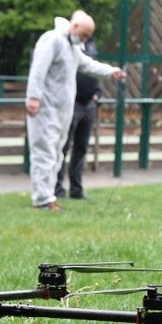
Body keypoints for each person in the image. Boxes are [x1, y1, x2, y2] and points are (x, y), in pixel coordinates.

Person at [25, 11, 123, 210]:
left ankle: (48, 196)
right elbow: (38, 70)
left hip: (62, 110)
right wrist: (34, 98)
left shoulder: (73, 47)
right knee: (45, 153)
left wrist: (111, 72)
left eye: (88, 36)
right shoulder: (52, 40)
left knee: (56, 154)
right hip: (45, 108)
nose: (85, 39)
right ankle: (42, 199)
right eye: (84, 34)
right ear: (75, 26)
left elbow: (88, 65)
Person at [54, 37, 101, 201]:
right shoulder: (68, 45)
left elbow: (94, 70)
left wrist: (97, 92)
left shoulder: (92, 46)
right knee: (63, 147)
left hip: (89, 104)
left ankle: (76, 189)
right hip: (71, 104)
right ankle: (57, 189)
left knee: (81, 148)